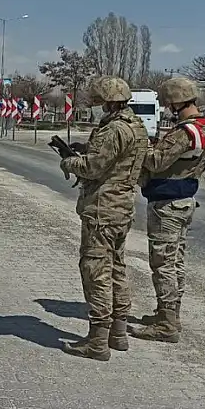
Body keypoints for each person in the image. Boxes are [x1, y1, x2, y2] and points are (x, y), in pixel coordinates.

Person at [56, 76, 149, 361]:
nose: (96, 106)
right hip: (121, 209)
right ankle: (118, 333)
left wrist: (69, 161)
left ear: (107, 102)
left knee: (96, 270)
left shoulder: (114, 130)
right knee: (117, 267)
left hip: (102, 210)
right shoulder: (137, 126)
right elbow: (115, 161)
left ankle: (97, 341)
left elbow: (94, 167)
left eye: (98, 101)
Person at [130, 77, 205, 343]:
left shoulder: (184, 132)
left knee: (163, 263)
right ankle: (168, 314)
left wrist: (140, 146)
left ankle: (167, 324)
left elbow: (156, 162)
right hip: (183, 201)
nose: (167, 107)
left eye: (168, 102)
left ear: (176, 102)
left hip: (167, 205)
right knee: (175, 261)